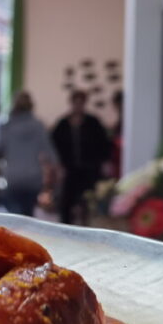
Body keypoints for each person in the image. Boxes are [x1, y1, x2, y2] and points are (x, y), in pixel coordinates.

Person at [51, 89, 111, 225]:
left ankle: (87, 228)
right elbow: (54, 146)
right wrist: (58, 165)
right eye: (75, 102)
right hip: (69, 169)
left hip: (89, 169)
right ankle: (65, 229)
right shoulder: (63, 124)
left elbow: (104, 144)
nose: (78, 106)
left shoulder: (93, 122)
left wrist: (103, 162)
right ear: (71, 103)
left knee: (88, 202)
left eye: (81, 103)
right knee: (66, 202)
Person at [0, 91, 55, 217]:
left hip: (13, 176)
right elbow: (49, 153)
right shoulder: (38, 126)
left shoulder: (7, 126)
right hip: (33, 177)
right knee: (28, 214)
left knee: (14, 215)